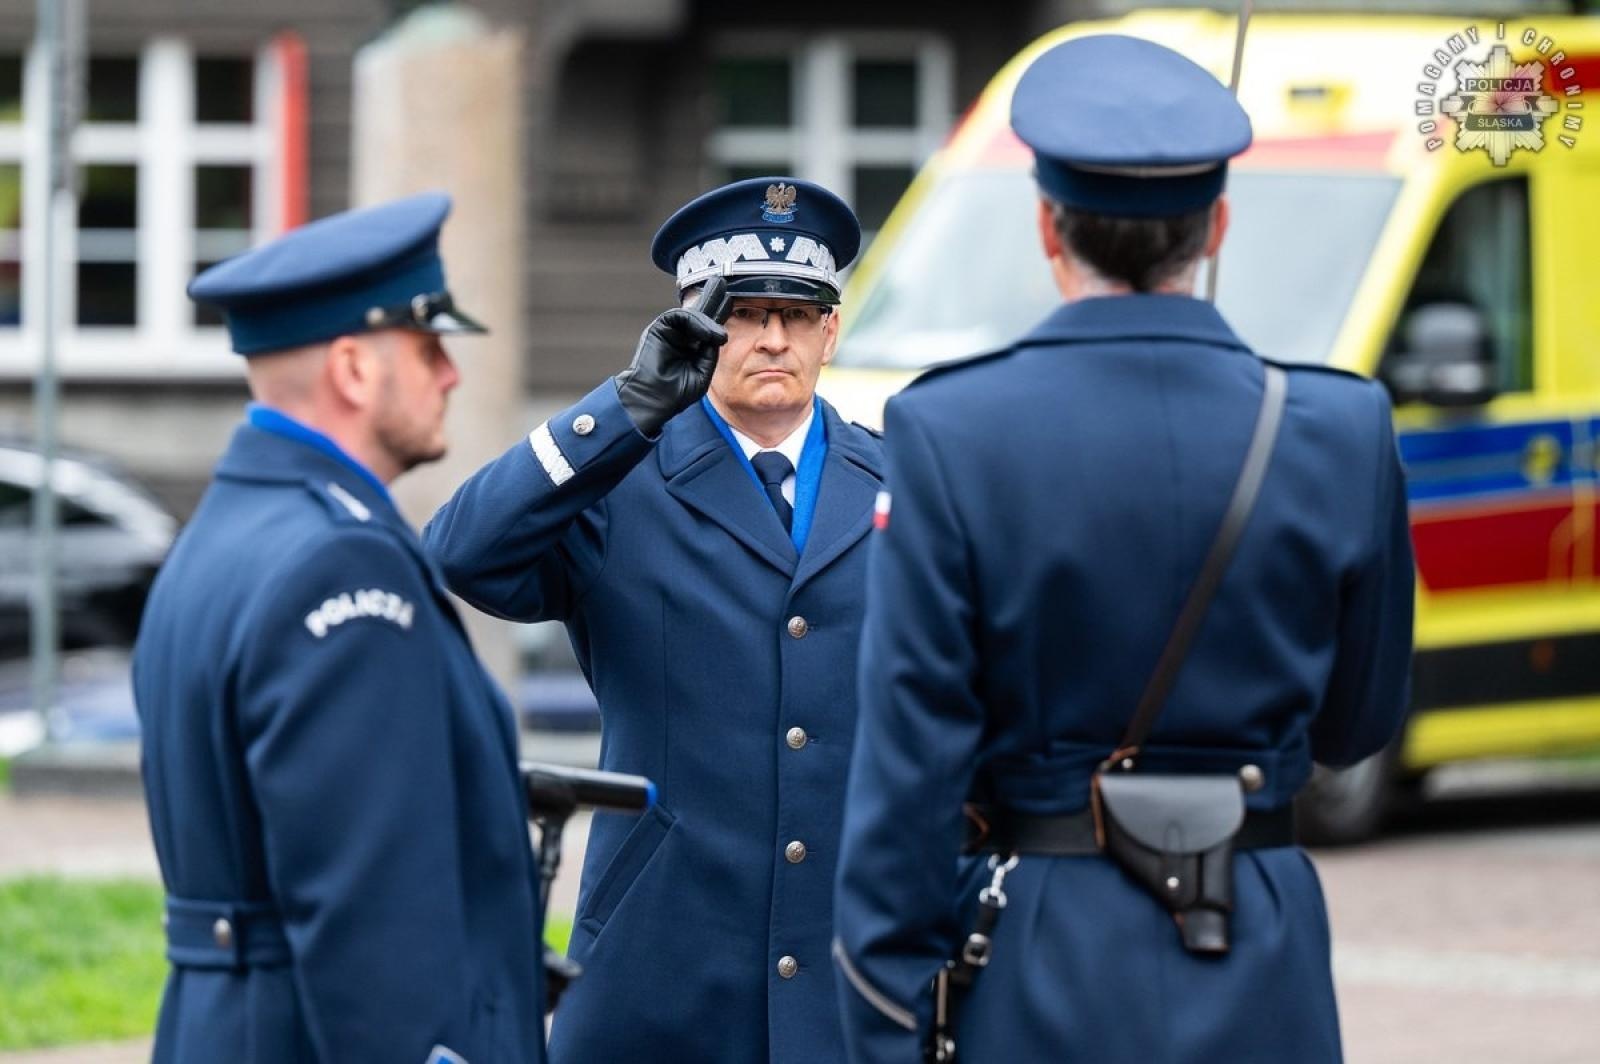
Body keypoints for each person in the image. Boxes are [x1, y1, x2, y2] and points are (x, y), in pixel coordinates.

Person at [831, 35, 1415, 1064]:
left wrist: (882, 1018)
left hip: (1047, 941)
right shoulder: (1341, 425)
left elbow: (909, 775)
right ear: (1217, 225)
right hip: (1257, 935)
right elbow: (1357, 723)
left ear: (1047, 227)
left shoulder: (948, 431)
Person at [423, 177, 883, 1062]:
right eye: (744, 313)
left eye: (799, 312)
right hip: (658, 967)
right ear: (695, 324)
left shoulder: (897, 485)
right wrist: (623, 408)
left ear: (832, 329)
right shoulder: (616, 481)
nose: (774, 338)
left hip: (845, 972)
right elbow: (461, 553)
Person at [133, 193, 546, 1063]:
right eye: (429, 344)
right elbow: (373, 920)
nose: (451, 374)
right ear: (355, 369)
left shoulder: (224, 532)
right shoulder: (343, 566)